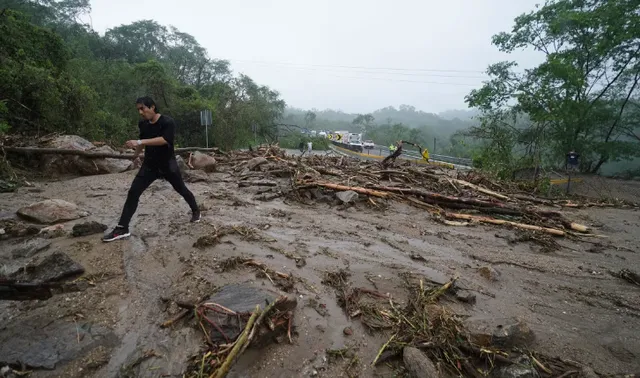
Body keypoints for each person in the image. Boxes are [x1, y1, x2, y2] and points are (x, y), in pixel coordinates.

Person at [103, 97, 200, 242]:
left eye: (143, 108)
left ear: (153, 107)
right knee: (133, 192)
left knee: (181, 189)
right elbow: (142, 140)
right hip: (149, 165)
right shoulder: (143, 124)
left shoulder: (168, 122)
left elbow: (164, 140)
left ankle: (196, 211)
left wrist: (139, 142)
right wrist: (135, 155)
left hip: (168, 165)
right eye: (138, 110)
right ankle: (122, 228)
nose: (141, 112)